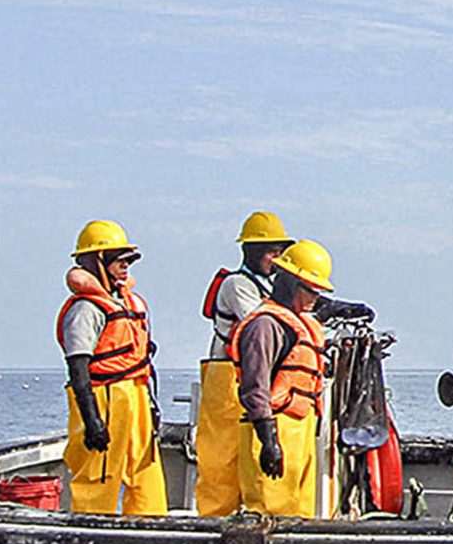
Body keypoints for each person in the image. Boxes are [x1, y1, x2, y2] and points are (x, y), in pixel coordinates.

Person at [196, 211, 369, 517]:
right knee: (221, 469)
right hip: (231, 389)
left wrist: (338, 309)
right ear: (249, 251)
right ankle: (214, 525)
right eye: (270, 252)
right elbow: (263, 330)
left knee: (291, 501)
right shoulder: (241, 290)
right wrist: (268, 438)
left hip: (280, 409)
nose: (274, 259)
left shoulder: (279, 300)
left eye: (279, 252)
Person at [57, 220, 166, 516]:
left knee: (144, 470)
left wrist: (150, 406)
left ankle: (150, 526)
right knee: (99, 474)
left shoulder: (129, 303)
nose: (125, 266)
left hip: (136, 394)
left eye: (128, 260)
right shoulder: (85, 310)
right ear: (97, 262)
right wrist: (92, 420)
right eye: (119, 260)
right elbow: (78, 369)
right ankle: (91, 529)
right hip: (102, 398)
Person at [231, 239, 336, 519]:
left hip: (299, 432)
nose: (316, 298)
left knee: (299, 516)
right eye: (311, 289)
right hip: (273, 431)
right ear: (290, 283)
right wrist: (269, 441)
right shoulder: (264, 326)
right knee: (267, 513)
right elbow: (255, 387)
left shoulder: (302, 323)